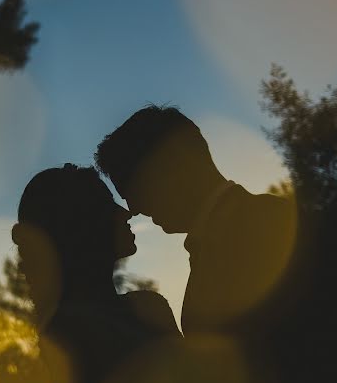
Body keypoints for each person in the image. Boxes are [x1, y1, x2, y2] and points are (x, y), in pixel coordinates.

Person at [93, 105, 297, 337]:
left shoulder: (269, 224)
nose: (135, 209)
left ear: (173, 163)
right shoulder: (221, 237)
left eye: (134, 190)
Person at [13, 164, 179, 383]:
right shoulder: (72, 328)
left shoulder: (146, 307)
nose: (125, 212)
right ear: (85, 225)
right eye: (109, 205)